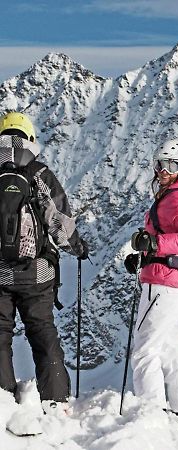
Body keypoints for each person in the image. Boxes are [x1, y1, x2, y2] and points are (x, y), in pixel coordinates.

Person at [0, 112, 89, 414]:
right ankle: (56, 403)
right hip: (36, 273)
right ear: (30, 138)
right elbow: (59, 224)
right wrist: (78, 248)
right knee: (42, 333)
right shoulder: (38, 172)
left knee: (0, 336)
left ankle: (2, 403)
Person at [124, 138, 178, 431]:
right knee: (172, 348)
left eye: (170, 165)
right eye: (159, 164)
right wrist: (144, 257)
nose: (162, 170)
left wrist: (155, 244)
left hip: (164, 285)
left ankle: (152, 416)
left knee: (145, 350)